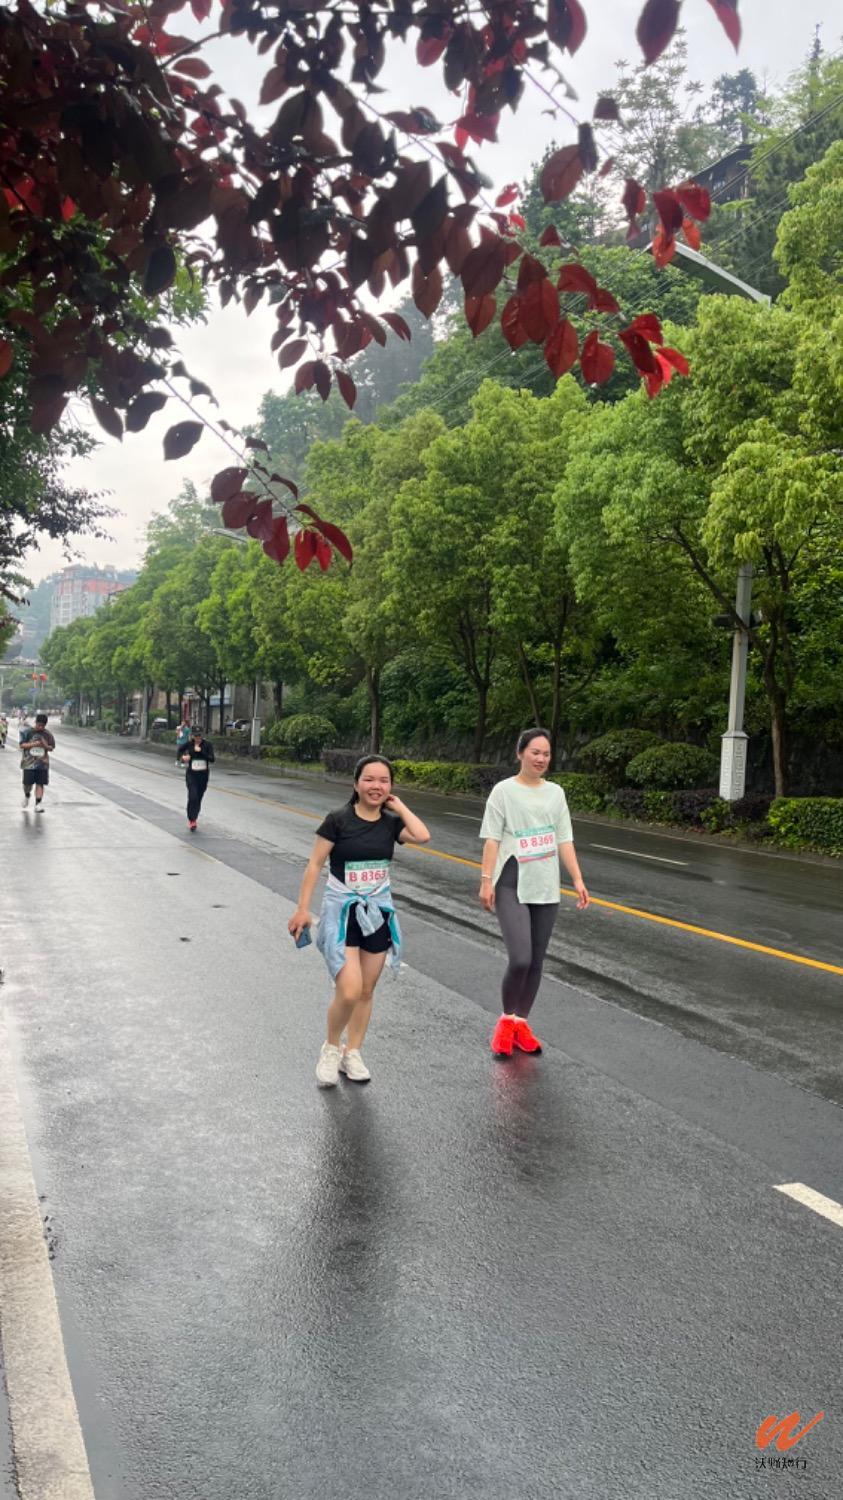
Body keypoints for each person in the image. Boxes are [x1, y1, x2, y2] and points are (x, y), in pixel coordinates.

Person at [288, 755, 431, 1088]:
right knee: (350, 989)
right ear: (355, 784)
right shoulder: (337, 821)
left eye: (383, 780)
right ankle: (330, 1047)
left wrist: (399, 805)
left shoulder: (391, 823)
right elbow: (314, 864)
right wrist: (302, 909)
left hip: (377, 912)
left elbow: (422, 835)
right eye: (369, 779)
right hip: (342, 913)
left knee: (366, 990)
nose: (376, 786)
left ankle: (352, 1052)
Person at [479, 727, 589, 1058]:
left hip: (545, 884)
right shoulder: (503, 791)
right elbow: (492, 838)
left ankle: (520, 1024)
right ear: (520, 753)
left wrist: (578, 879)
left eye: (546, 753)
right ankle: (505, 1022)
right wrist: (486, 880)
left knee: (537, 960)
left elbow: (564, 839)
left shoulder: (556, 793)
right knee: (521, 958)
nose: (541, 758)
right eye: (535, 752)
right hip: (511, 881)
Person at [179, 726, 214, 831]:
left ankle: (195, 817)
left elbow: (212, 759)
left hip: (203, 776)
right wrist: (183, 758)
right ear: (192, 736)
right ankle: (192, 819)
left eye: (199, 735)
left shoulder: (207, 745)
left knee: (198, 798)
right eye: (196, 736)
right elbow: (180, 751)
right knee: (192, 796)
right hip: (192, 775)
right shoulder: (189, 744)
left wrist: (201, 752)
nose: (198, 738)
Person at [20, 712, 56, 813]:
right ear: (35, 722)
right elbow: (21, 745)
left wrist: (45, 745)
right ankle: (27, 795)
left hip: (42, 764)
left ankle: (38, 804)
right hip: (28, 763)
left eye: (43, 726)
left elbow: (51, 748)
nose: (41, 727)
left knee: (40, 783)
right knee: (27, 784)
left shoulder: (48, 734)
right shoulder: (27, 732)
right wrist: (34, 744)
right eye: (39, 725)